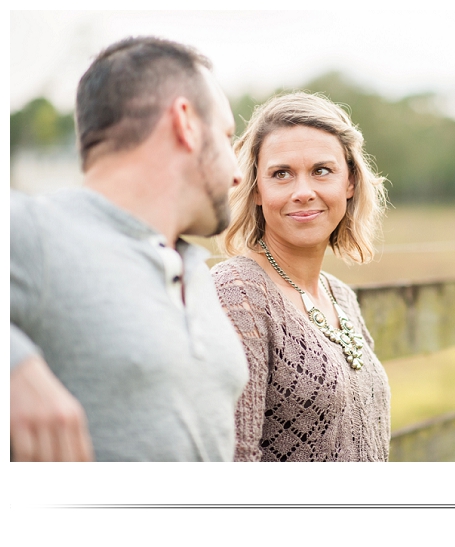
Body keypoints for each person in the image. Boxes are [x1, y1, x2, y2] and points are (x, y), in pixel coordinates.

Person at [10, 36, 249, 461]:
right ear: (186, 123)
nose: (237, 175)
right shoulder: (38, 231)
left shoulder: (195, 269)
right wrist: (12, 365)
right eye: (228, 136)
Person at [212, 92, 390, 462]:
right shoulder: (238, 294)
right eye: (281, 174)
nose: (304, 192)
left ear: (350, 182)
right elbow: (233, 460)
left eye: (322, 171)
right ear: (256, 189)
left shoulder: (341, 297)